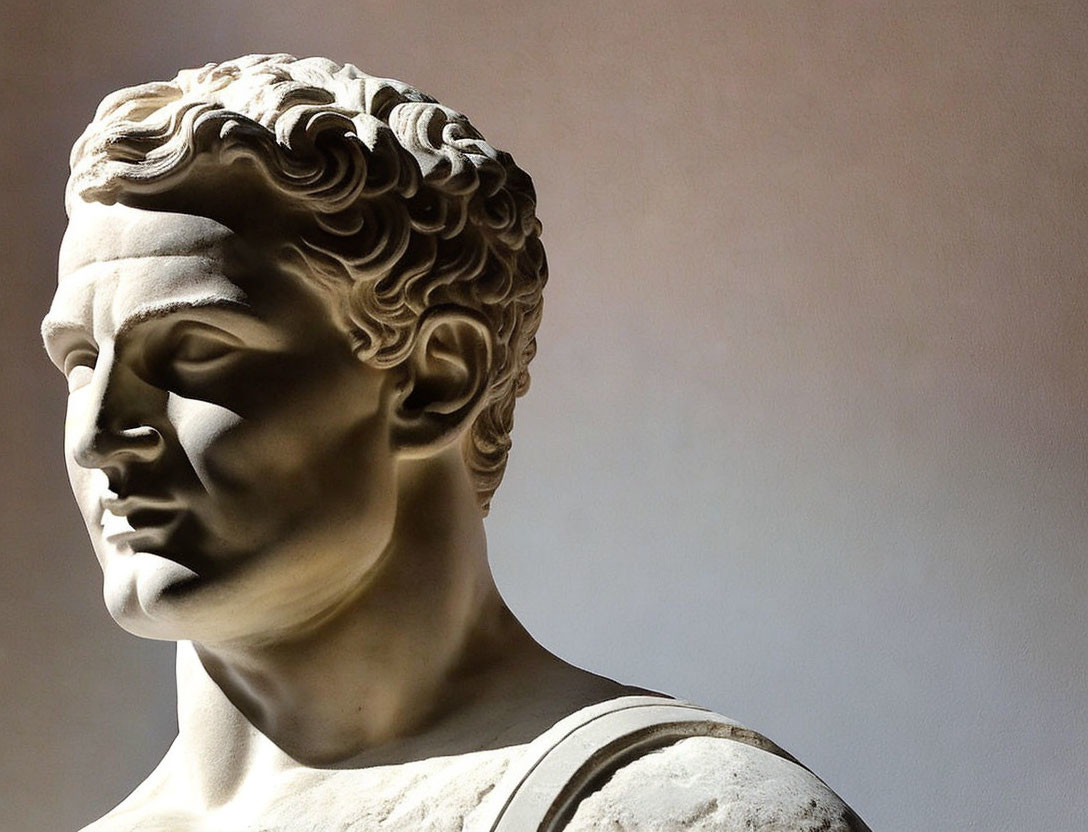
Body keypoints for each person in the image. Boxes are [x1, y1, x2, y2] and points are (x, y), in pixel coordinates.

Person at [42, 54, 868, 831]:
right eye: (81, 363)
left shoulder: (682, 813)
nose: (100, 434)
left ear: (438, 376)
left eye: (197, 350)